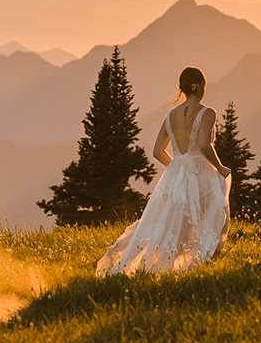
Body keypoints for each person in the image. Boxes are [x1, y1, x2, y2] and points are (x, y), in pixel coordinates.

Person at [96, 66, 232, 276]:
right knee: (208, 214)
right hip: (201, 170)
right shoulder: (208, 113)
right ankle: (203, 260)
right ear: (201, 87)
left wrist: (177, 169)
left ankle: (162, 262)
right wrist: (219, 166)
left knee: (171, 219)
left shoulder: (170, 115)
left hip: (177, 174)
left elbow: (158, 151)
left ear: (183, 88)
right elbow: (205, 144)